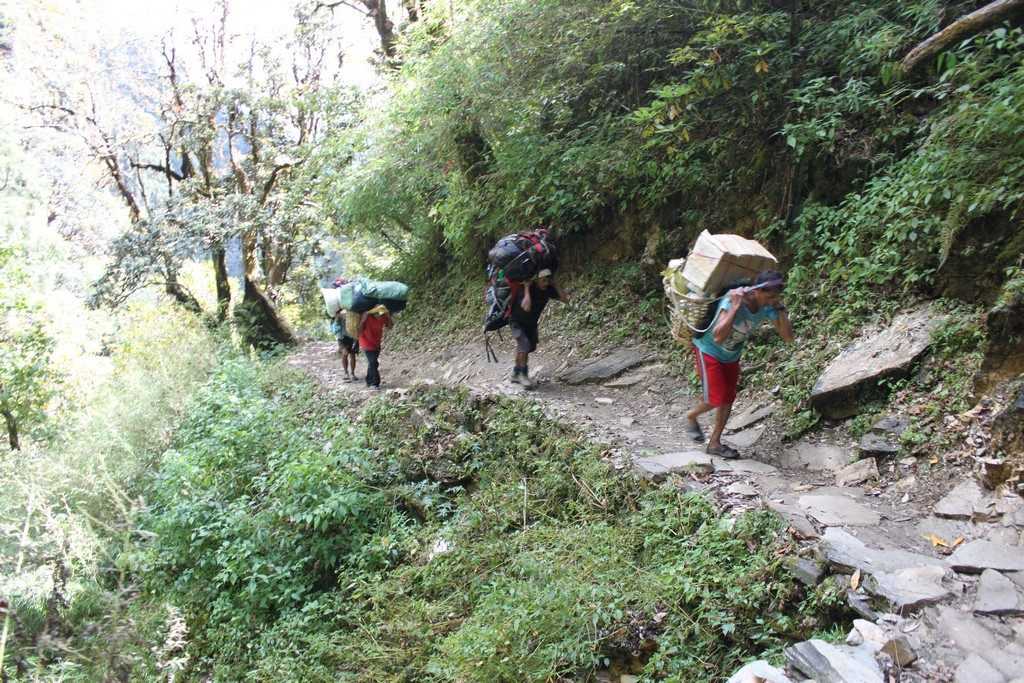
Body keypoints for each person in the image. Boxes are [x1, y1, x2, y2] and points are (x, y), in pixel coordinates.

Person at [685, 270, 794, 458]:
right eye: (769, 296)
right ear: (757, 292)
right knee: (714, 399)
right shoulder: (731, 300)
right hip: (709, 350)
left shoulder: (769, 307)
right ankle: (691, 416)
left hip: (731, 356)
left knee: (728, 398)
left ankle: (715, 443)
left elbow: (788, 337)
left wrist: (781, 310)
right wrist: (735, 307)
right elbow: (718, 337)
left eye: (776, 296)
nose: (772, 300)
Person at [508, 268, 568, 388]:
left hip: (531, 324)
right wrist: (526, 288)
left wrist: (556, 285)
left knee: (527, 347)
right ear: (537, 280)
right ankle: (523, 375)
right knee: (524, 344)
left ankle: (515, 372)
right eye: (543, 280)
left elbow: (565, 299)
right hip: (517, 321)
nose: (546, 283)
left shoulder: (548, 289)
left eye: (548, 280)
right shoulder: (527, 288)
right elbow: (526, 307)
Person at [359, 305, 393, 390]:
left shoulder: (382, 316)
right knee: (373, 362)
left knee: (372, 363)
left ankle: (368, 380)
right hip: (366, 342)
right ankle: (374, 383)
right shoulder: (366, 316)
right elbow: (358, 331)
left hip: (376, 343)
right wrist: (363, 320)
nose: (378, 314)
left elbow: (390, 326)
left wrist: (388, 316)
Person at [331, 309, 359, 381]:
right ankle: (346, 373)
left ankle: (352, 374)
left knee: (353, 355)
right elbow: (334, 331)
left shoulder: (352, 314)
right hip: (342, 338)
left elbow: (357, 324)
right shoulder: (336, 318)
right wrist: (337, 320)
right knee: (345, 353)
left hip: (352, 337)